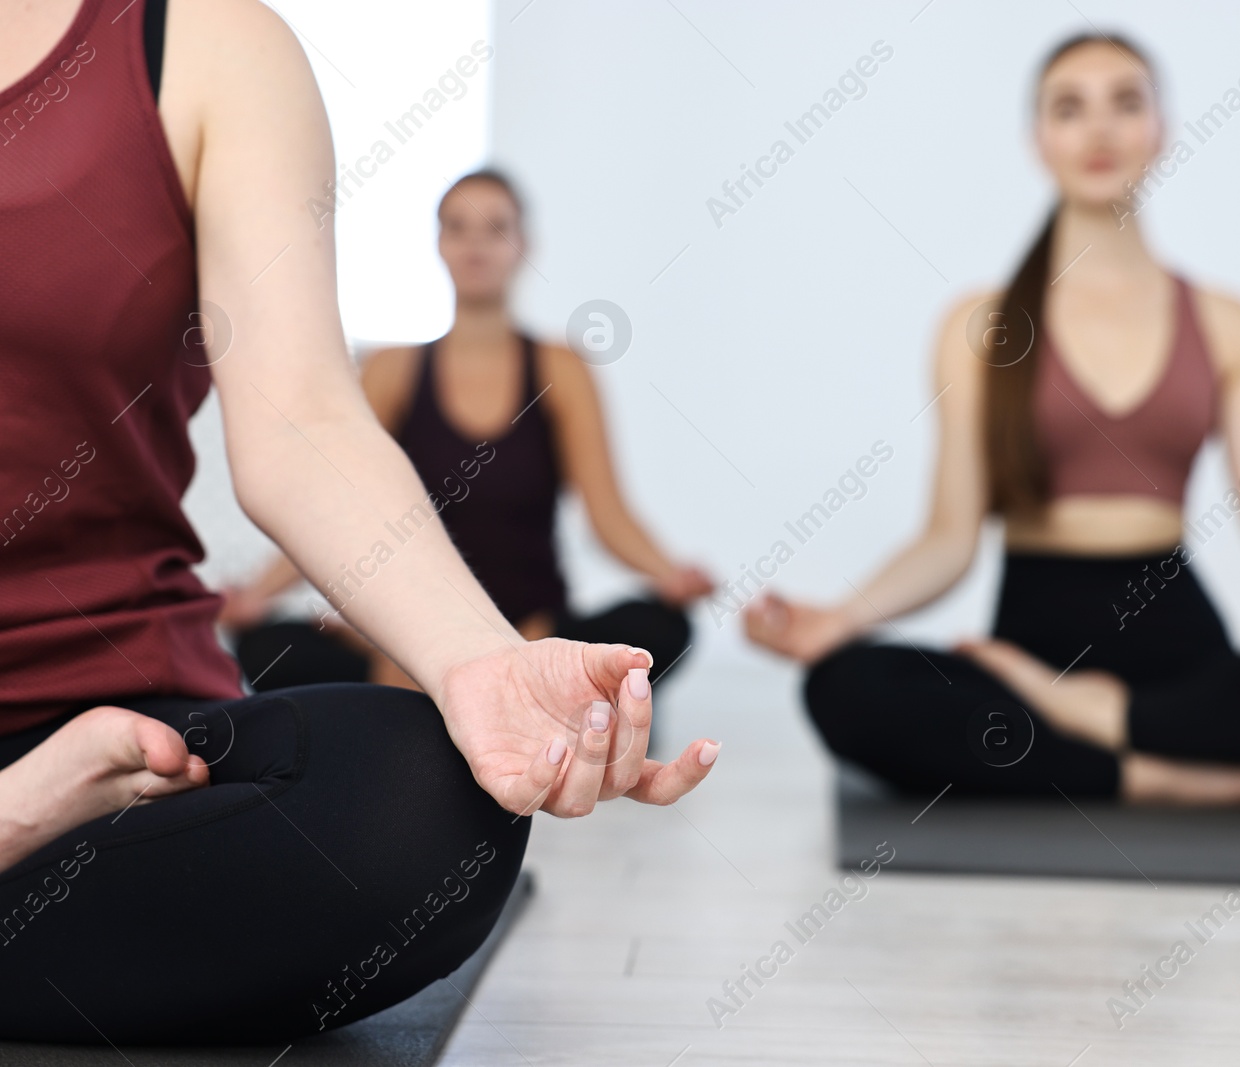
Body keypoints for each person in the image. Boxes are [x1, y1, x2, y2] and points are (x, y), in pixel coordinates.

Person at [0, 0, 717, 1044]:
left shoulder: (203, 44)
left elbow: (302, 422)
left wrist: (481, 665)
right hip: (52, 803)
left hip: (128, 740)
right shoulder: (403, 365)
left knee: (425, 804)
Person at [744, 32, 1240, 809]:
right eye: (1070, 107)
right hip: (1032, 648)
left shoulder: (1228, 324)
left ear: (1161, 129)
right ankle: (1170, 779)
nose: (1099, 127)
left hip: (1183, 662)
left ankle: (1110, 727)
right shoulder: (982, 325)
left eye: (1124, 102)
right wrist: (841, 620)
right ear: (1038, 139)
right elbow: (948, 540)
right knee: (843, 687)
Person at [221, 169, 713, 693]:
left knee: (660, 627)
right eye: (458, 227)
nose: (477, 243)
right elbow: (337, 511)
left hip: (535, 632)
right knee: (269, 648)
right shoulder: (392, 371)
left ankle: (498, 677)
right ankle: (454, 681)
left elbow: (608, 514)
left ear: (522, 244)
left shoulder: (561, 370)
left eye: (495, 228)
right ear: (440, 244)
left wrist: (669, 574)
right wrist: (257, 595)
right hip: (419, 638)